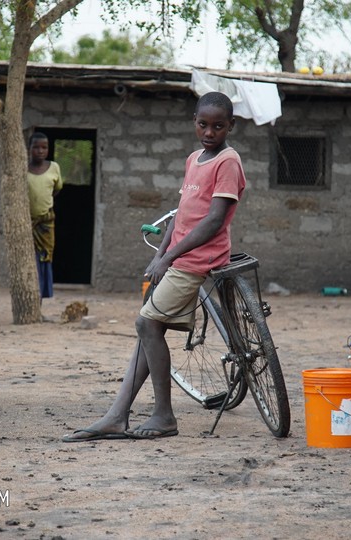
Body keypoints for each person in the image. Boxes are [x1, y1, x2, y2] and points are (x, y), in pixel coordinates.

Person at [63, 91, 246, 442]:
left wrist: (169, 257)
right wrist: (160, 252)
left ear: (231, 126)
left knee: (146, 323)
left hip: (200, 258)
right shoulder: (195, 159)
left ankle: (162, 415)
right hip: (182, 254)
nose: (210, 132)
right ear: (194, 121)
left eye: (218, 126)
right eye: (203, 124)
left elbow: (213, 222)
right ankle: (118, 415)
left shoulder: (228, 162)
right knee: (150, 328)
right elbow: (183, 216)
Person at [27, 132, 63, 305]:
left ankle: (40, 298)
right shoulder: (23, 168)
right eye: (36, 147)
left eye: (44, 147)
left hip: (46, 224)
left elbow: (56, 189)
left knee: (44, 257)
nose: (40, 151)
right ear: (29, 149)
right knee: (29, 260)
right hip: (27, 223)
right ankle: (31, 298)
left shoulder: (54, 167)